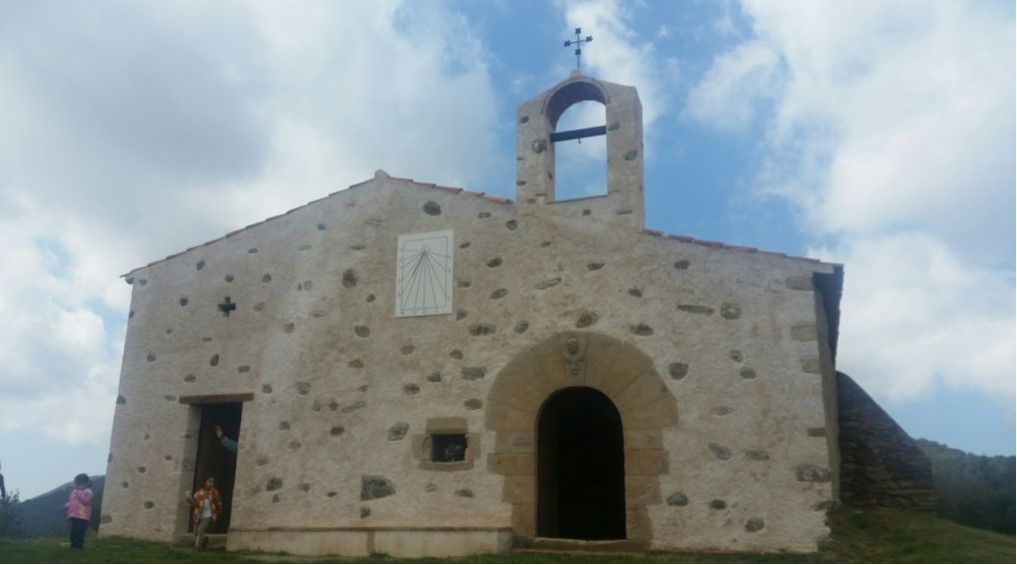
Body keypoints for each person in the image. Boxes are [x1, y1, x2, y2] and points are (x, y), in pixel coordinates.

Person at [187, 476, 222, 551]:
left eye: (212, 482)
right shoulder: (198, 493)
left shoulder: (214, 492)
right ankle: (204, 540)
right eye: (209, 481)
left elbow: (218, 503)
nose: (211, 483)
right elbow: (195, 504)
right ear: (205, 482)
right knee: (195, 532)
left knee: (200, 530)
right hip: (198, 515)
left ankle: (197, 548)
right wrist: (189, 500)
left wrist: (217, 513)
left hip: (208, 515)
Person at [64, 473, 93, 550]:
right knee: (73, 531)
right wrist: (68, 505)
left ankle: (79, 546)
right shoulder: (75, 491)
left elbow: (86, 500)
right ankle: (73, 545)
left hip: (83, 516)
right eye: (77, 484)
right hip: (74, 514)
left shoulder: (88, 492)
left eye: (80, 484)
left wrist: (79, 492)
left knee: (80, 532)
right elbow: (72, 501)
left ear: (85, 483)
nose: (77, 486)